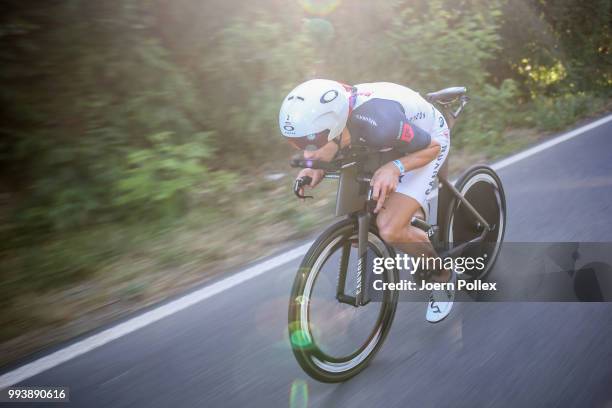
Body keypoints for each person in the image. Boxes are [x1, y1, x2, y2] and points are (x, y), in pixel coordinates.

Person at [279, 79, 456, 323]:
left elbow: (432, 148)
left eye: (310, 144)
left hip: (427, 141)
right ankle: (413, 216)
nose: (306, 152)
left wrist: (396, 167)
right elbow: (325, 150)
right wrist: (315, 167)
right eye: (298, 144)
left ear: (336, 130)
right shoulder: (339, 126)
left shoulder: (380, 122)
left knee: (391, 230)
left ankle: (442, 276)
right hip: (383, 141)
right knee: (365, 213)